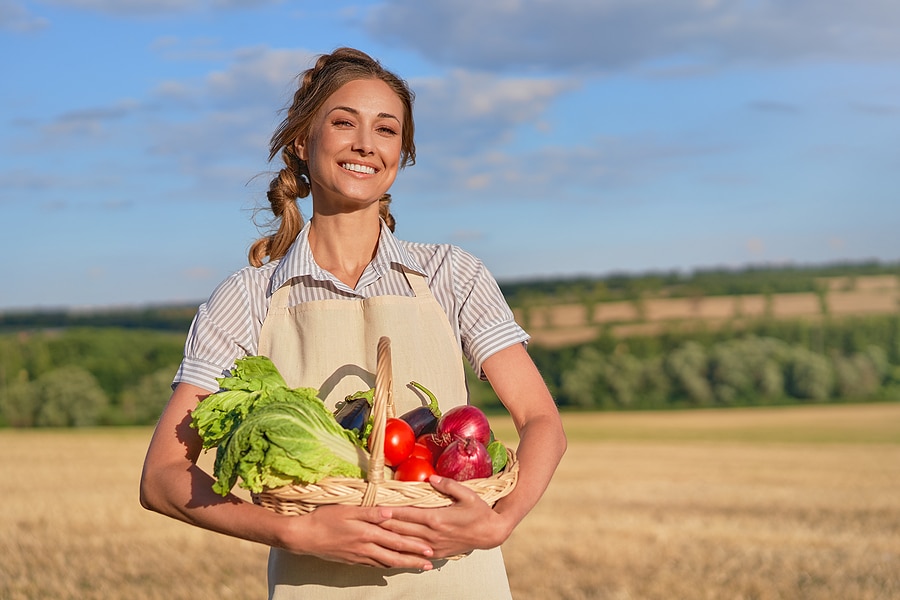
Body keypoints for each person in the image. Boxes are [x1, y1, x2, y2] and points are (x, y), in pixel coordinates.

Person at [140, 47, 567, 599]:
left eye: (386, 130)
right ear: (301, 141)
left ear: (400, 154)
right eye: (344, 122)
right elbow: (163, 477)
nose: (366, 143)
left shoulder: (450, 274)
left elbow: (541, 421)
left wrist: (500, 520)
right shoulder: (248, 297)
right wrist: (297, 531)